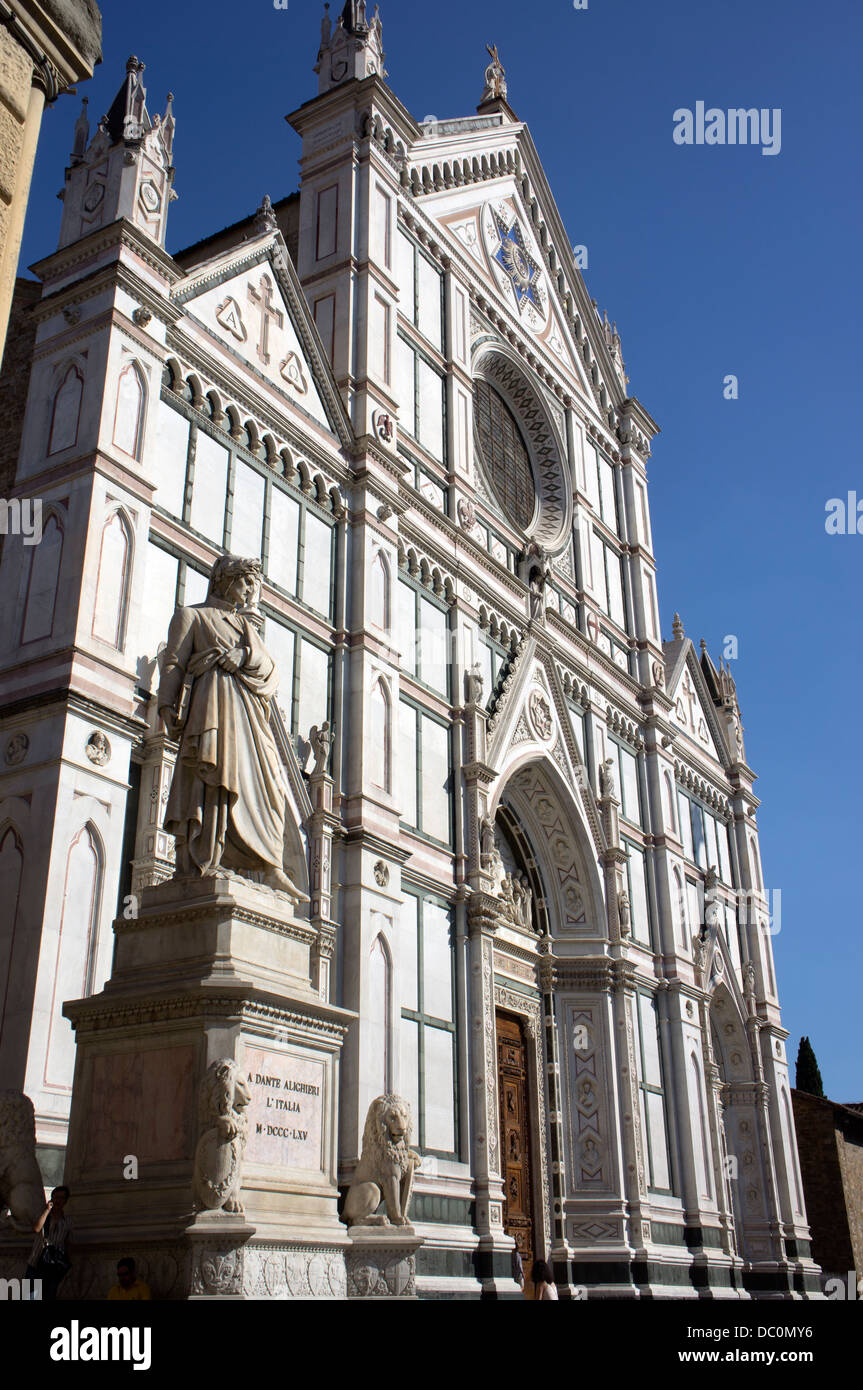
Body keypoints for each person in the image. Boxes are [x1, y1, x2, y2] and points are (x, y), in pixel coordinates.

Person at [158, 554, 301, 897]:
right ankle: (208, 857)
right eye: (246, 581)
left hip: (248, 717)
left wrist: (244, 656)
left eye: (254, 584)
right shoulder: (192, 616)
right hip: (213, 710)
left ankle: (270, 864)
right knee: (215, 779)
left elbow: (270, 670)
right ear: (224, 579)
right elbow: (174, 663)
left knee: (271, 787)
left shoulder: (247, 628)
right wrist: (166, 705)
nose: (251, 590)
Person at [25, 1185, 72, 1300]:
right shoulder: (45, 1215)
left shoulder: (67, 1221)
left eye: (61, 1198)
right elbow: (36, 1228)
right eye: (55, 1197)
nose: (58, 1201)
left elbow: (68, 1242)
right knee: (31, 1297)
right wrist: (47, 1210)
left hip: (53, 1267)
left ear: (65, 1201)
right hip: (36, 1264)